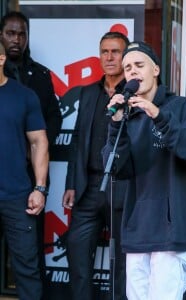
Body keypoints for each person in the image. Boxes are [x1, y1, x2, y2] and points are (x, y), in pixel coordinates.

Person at [102, 41, 186, 300]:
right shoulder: (126, 115)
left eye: (139, 65)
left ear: (156, 70)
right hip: (137, 231)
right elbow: (116, 167)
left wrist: (158, 116)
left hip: (171, 234)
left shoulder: (181, 107)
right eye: (128, 68)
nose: (133, 72)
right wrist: (116, 124)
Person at [62, 31, 129, 300]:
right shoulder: (89, 92)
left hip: (123, 186)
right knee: (77, 251)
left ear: (125, 57)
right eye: (105, 51)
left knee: (123, 261)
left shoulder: (134, 93)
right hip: (88, 186)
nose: (109, 57)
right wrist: (70, 184)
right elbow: (77, 139)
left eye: (115, 51)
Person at [0, 10, 62, 288]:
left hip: (24, 184)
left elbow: (50, 124)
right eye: (11, 33)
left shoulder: (38, 77)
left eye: (22, 34)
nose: (17, 39)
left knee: (28, 257)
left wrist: (39, 185)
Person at [0, 41, 49, 300]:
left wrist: (40, 188)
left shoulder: (23, 96)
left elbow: (39, 141)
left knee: (27, 271)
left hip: (17, 196)